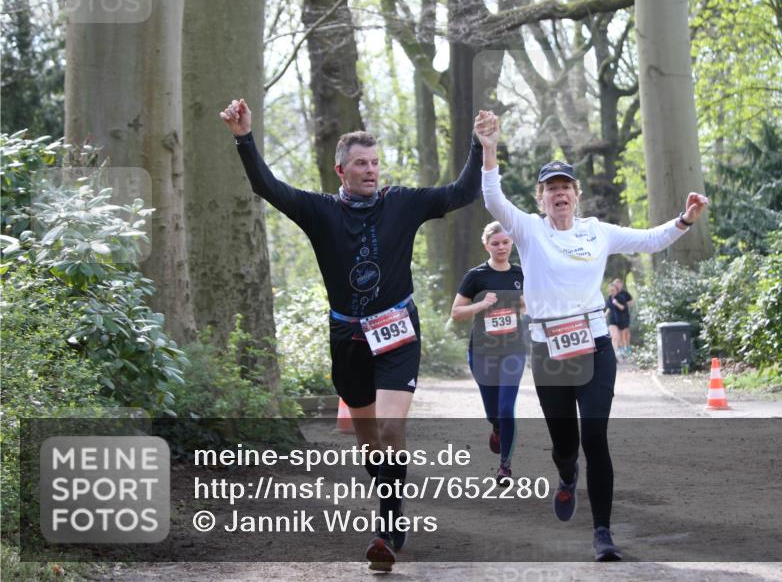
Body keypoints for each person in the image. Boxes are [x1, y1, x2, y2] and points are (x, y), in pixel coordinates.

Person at [219, 99, 483, 572]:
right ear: (340, 170)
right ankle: (390, 498)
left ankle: (387, 525)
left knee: (391, 428)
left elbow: (462, 191)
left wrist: (481, 144)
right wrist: (244, 138)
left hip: (397, 331)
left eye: (375, 162)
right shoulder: (319, 211)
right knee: (369, 442)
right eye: (361, 163)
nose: (371, 170)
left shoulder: (402, 203)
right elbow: (266, 186)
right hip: (347, 336)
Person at [473, 109, 708, 562]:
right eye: (551, 189)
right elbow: (493, 198)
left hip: (595, 345)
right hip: (549, 350)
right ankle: (567, 475)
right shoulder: (528, 230)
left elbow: (648, 240)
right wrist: (489, 148)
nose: (559, 194)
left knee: (595, 437)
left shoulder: (597, 232)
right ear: (541, 198)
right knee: (566, 445)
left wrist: (685, 219)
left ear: (576, 195)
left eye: (566, 187)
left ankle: (602, 532)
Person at [451, 221, 528, 483]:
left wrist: (526, 306)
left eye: (505, 242)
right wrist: (482, 304)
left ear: (511, 243)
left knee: (507, 408)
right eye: (495, 243)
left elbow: (530, 306)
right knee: (493, 412)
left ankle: (505, 466)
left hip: (513, 349)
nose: (501, 247)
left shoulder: (521, 273)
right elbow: (456, 312)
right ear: (486, 245)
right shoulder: (475, 276)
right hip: (482, 351)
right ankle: (496, 426)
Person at [611, 278, 634, 359]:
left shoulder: (625, 293)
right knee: (619, 335)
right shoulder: (613, 294)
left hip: (625, 316)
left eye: (619, 284)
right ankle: (621, 351)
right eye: (616, 284)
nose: (617, 286)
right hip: (616, 317)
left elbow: (632, 302)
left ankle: (628, 349)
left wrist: (623, 304)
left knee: (626, 334)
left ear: (621, 285)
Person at [604, 283, 623, 357]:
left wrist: (617, 303)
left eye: (613, 290)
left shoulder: (620, 297)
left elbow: (623, 308)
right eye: (610, 290)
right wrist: (605, 315)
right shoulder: (609, 298)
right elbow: (608, 308)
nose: (612, 292)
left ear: (616, 290)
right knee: (614, 337)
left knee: (619, 339)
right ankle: (614, 354)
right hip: (611, 320)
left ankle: (619, 353)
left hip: (620, 320)